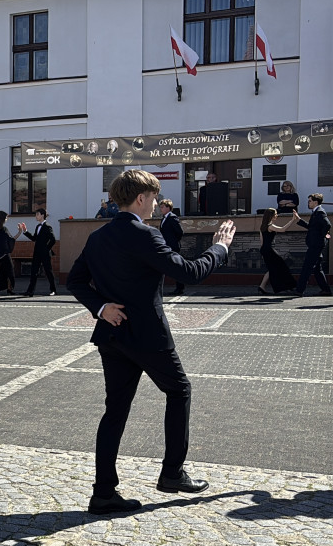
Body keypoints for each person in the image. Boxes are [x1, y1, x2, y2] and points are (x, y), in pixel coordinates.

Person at [67, 169, 235, 515]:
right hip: (146, 336)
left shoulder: (99, 237)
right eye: (154, 197)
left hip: (113, 335)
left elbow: (75, 280)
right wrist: (220, 247)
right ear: (141, 198)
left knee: (114, 411)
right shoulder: (145, 235)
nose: (156, 204)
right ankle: (172, 473)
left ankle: (103, 493)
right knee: (179, 390)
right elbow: (191, 273)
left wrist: (100, 308)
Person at [293, 193, 333, 296]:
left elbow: (327, 224)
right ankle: (326, 289)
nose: (308, 202)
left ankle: (299, 290)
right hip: (316, 244)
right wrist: (299, 220)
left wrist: (323, 235)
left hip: (316, 245)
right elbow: (311, 227)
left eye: (310, 201)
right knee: (317, 268)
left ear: (315, 202)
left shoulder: (320, 213)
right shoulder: (315, 212)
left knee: (307, 267)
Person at [257, 208, 297, 295]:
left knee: (272, 269)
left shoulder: (262, 226)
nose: (277, 215)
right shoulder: (270, 226)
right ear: (271, 216)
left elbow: (261, 241)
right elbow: (283, 229)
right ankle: (288, 286)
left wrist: (263, 252)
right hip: (269, 249)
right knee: (282, 266)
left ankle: (262, 287)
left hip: (264, 249)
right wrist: (292, 220)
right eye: (275, 214)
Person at [22, 208, 57, 296]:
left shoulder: (47, 226)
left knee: (48, 271)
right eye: (36, 214)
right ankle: (30, 291)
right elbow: (34, 238)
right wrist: (25, 231)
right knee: (34, 271)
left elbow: (53, 240)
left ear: (42, 215)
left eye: (37, 214)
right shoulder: (38, 226)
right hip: (37, 252)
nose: (36, 216)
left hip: (45, 253)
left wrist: (46, 249)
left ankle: (53, 290)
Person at [158, 200, 185, 295]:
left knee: (176, 267)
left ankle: (180, 287)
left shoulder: (172, 218)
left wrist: (173, 241)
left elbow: (180, 232)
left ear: (168, 208)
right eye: (160, 207)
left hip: (172, 247)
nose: (160, 209)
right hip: (166, 246)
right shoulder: (164, 218)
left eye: (162, 207)